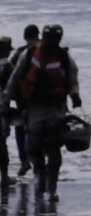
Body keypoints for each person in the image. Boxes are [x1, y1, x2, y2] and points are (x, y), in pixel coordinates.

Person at [4, 24, 81, 202]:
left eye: (55, 39)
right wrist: (7, 98)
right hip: (33, 108)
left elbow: (72, 78)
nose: (51, 43)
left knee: (54, 148)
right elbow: (16, 77)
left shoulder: (64, 56)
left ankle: (51, 188)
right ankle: (39, 177)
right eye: (49, 39)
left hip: (56, 109)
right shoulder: (29, 54)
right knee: (33, 147)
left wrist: (75, 95)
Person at [8, 24, 40, 178]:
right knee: (40, 129)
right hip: (43, 98)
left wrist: (8, 97)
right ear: (38, 35)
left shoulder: (20, 52)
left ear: (25, 36)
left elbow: (12, 76)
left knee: (21, 128)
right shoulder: (48, 51)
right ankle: (40, 163)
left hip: (23, 97)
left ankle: (24, 160)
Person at [0, 36, 15, 187]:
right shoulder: (7, 66)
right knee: (1, 144)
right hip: (1, 109)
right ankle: (4, 176)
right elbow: (14, 88)